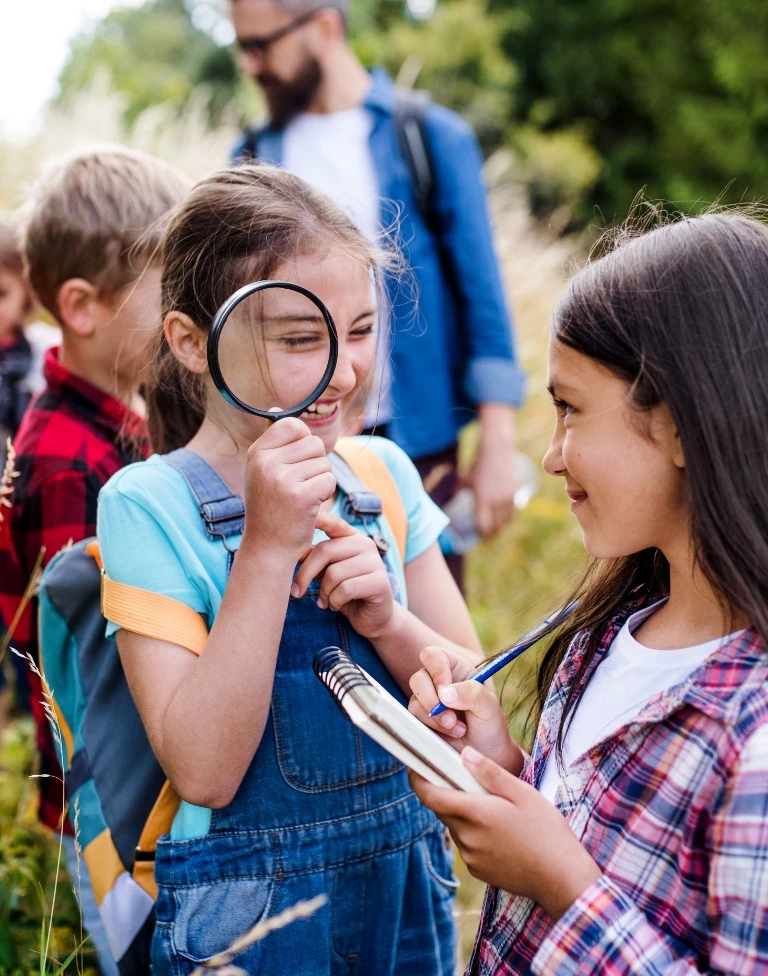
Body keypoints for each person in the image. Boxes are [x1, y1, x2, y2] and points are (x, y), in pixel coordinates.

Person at [96, 164, 482, 975]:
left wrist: (387, 620)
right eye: (303, 339)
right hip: (247, 924)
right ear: (191, 343)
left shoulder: (382, 476)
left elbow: (474, 716)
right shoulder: (147, 505)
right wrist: (267, 551)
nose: (344, 372)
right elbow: (204, 770)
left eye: (365, 329)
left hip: (404, 897)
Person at [408, 213, 768, 974]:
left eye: (569, 408)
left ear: (676, 424)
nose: (549, 453)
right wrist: (501, 769)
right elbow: (591, 822)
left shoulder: (755, 737)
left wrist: (564, 887)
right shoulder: (606, 631)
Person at [229, 0, 526, 587]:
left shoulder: (429, 137)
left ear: (324, 27)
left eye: (260, 45)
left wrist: (497, 438)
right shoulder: (253, 158)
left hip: (423, 441)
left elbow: (481, 292)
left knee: (428, 622)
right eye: (243, 47)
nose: (250, 65)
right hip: (302, 435)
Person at [0, 147, 189, 976]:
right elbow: (95, 664)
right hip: (119, 805)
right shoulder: (68, 462)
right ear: (82, 307)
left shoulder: (122, 421)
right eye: (168, 294)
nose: (190, 314)